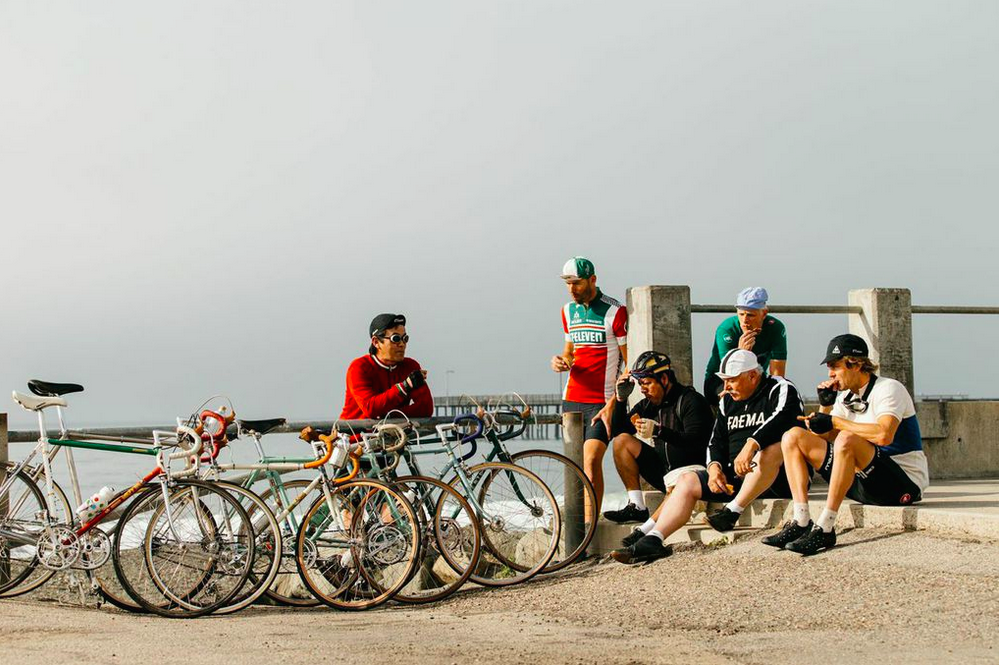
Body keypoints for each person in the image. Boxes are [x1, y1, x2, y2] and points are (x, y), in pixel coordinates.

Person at [611, 349, 804, 564]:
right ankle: (654, 539)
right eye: (724, 381)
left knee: (772, 448)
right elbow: (716, 440)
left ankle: (732, 512)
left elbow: (784, 417)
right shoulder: (727, 401)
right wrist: (714, 468)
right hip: (731, 477)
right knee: (687, 480)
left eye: (731, 380)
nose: (726, 387)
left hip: (775, 477)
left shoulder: (778, 387)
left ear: (752, 375)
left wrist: (751, 445)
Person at [765, 334, 929, 555]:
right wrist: (825, 407)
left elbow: (884, 435)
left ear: (857, 364)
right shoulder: (845, 397)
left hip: (900, 483)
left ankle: (825, 526)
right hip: (862, 480)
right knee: (793, 436)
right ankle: (801, 519)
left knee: (846, 438)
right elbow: (825, 437)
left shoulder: (889, 388)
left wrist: (834, 420)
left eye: (835, 366)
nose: (830, 373)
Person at [551, 256, 627, 518]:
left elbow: (629, 364)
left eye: (577, 283)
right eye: (568, 284)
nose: (572, 289)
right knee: (574, 467)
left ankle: (590, 524)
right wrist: (561, 361)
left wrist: (613, 402)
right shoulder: (567, 311)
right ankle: (578, 528)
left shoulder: (615, 311)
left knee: (592, 461)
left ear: (592, 280)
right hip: (571, 398)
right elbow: (570, 351)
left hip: (602, 400)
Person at [601, 351, 713, 529]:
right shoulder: (648, 404)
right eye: (640, 384)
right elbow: (618, 431)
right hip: (664, 473)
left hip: (691, 476)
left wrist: (659, 431)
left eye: (646, 383)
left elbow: (696, 441)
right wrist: (621, 400)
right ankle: (637, 505)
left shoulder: (691, 401)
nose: (642, 389)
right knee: (622, 441)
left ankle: (647, 531)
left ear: (664, 379)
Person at [339, 313, 433, 421]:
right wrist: (404, 387)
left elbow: (425, 408)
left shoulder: (410, 366)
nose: (402, 344)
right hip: (355, 436)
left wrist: (388, 416)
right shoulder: (359, 367)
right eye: (396, 338)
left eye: (405, 338)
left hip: (391, 435)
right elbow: (370, 408)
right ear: (376, 342)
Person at [703, 287, 788, 399]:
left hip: (755, 380)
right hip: (721, 381)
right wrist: (742, 354)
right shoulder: (727, 329)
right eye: (741, 314)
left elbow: (778, 374)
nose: (745, 320)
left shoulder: (775, 328)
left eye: (750, 315)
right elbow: (730, 375)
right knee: (735, 393)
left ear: (764, 313)